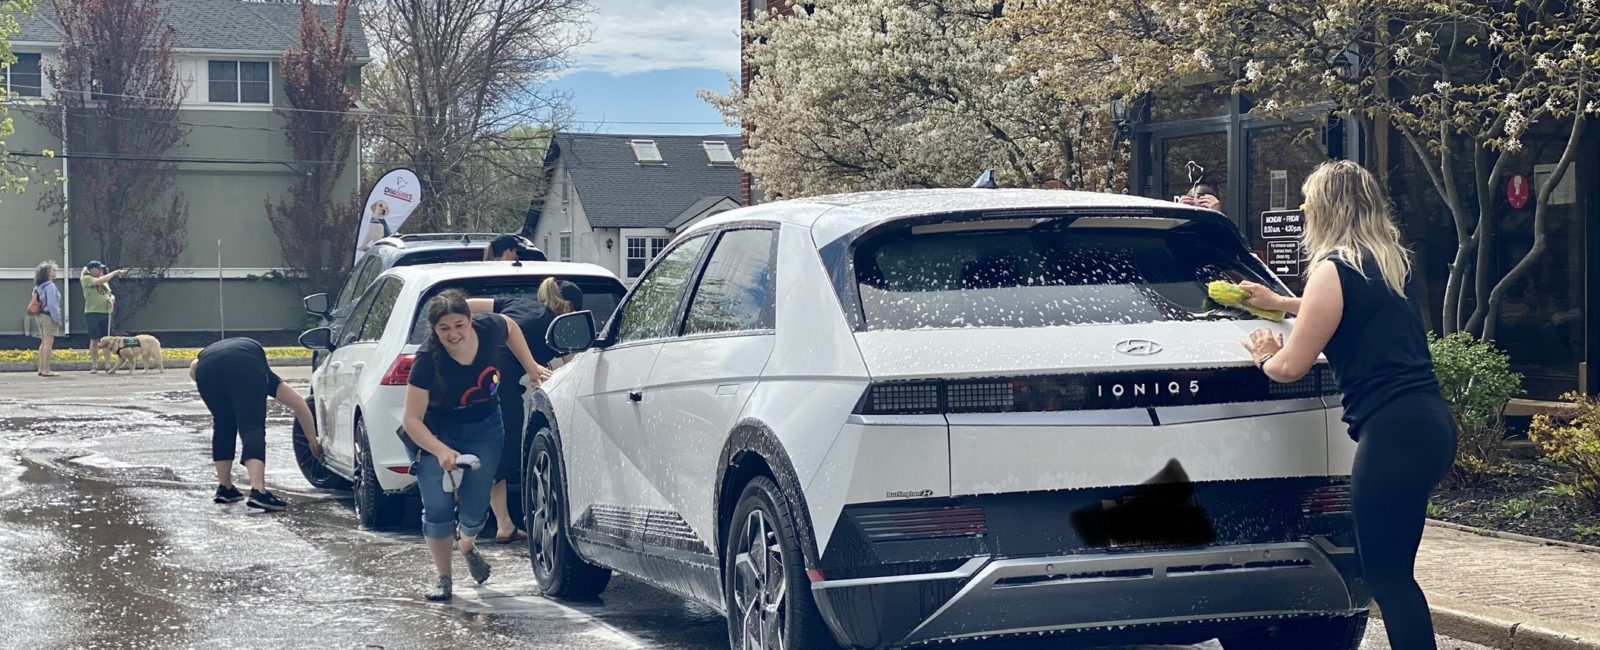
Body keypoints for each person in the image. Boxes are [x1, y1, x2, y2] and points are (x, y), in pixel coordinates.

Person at [1237, 160, 1454, 650]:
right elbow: (1348, 307)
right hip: (1429, 424)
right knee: (1397, 571)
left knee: (1387, 577)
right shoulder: (1392, 261)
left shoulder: (1332, 268)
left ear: (1324, 210)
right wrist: (1281, 301)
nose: (1304, 211)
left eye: (1308, 203)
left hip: (1392, 433)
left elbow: (1291, 367)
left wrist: (1264, 355)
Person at [402, 289, 548, 601]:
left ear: (470, 321)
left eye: (459, 325)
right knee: (438, 509)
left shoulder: (488, 327)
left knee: (475, 508)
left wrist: (531, 366)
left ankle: (467, 544)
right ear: (434, 330)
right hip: (437, 430)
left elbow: (509, 325)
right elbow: (411, 420)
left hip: (485, 425)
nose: (453, 334)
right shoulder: (428, 360)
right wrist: (440, 450)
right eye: (444, 329)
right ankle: (444, 578)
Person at [467, 277, 581, 544]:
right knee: (506, 453)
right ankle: (465, 504)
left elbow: (464, 306)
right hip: (499, 385)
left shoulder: (515, 303)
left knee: (492, 450)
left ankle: (504, 524)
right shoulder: (560, 326)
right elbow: (574, 368)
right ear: (568, 308)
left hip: (470, 377)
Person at [190, 338, 320, 512]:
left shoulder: (210, 359)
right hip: (244, 364)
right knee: (252, 426)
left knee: (223, 425)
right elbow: (300, 405)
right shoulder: (268, 378)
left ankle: (225, 488)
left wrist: (203, 378)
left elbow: (194, 366)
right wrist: (312, 441)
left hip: (205, 369)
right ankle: (258, 491)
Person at [81, 261, 126, 373]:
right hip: (92, 312)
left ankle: (107, 364)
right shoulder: (87, 279)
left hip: (105, 312)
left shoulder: (105, 282)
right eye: (98, 269)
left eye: (102, 269)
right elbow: (101, 281)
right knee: (95, 339)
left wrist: (112, 298)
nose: (101, 271)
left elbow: (109, 293)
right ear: (91, 269)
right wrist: (115, 272)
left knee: (106, 339)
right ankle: (94, 365)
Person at [29, 261, 62, 377]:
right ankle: (46, 369)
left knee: (43, 342)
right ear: (48, 273)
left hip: (40, 315)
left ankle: (41, 367)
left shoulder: (38, 287)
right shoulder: (50, 286)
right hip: (48, 315)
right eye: (53, 270)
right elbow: (53, 304)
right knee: (48, 342)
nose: (55, 272)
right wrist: (57, 319)